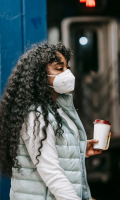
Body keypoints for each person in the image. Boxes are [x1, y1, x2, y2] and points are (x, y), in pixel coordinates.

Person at [0, 42, 102, 200]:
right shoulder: (36, 116)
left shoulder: (60, 107)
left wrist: (81, 148)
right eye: (59, 68)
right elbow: (52, 172)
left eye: (67, 68)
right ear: (39, 74)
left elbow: (55, 150)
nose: (67, 73)